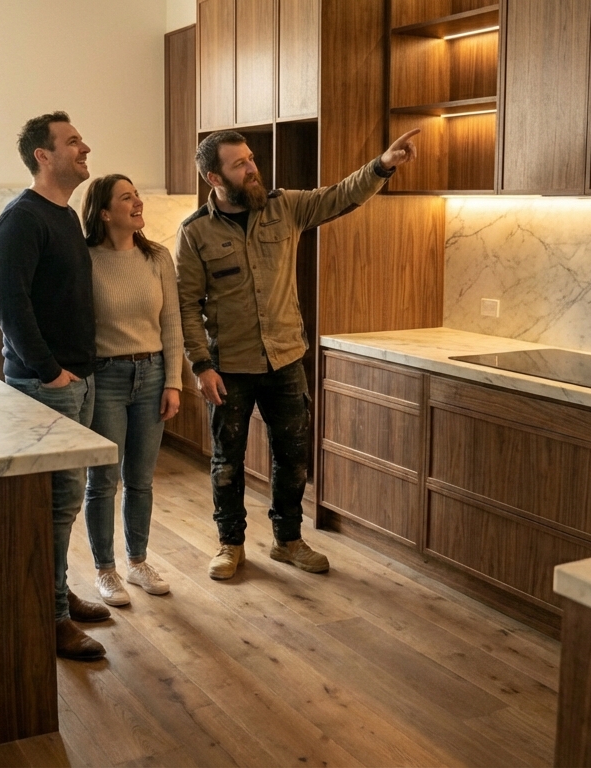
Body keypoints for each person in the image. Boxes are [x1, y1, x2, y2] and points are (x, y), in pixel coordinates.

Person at [175, 128, 421, 580]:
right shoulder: (195, 232)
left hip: (285, 359)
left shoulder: (284, 206)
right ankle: (230, 544)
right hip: (229, 366)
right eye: (239, 164)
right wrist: (201, 366)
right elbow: (187, 305)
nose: (252, 168)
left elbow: (340, 196)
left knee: (292, 457)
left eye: (251, 158)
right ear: (214, 178)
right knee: (227, 462)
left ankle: (288, 540)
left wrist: (382, 165)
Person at [0, 111, 112, 661]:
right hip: (48, 385)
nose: (84, 148)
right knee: (55, 505)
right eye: (72, 141)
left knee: (64, 502)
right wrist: (50, 372)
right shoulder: (22, 218)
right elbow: (10, 307)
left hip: (76, 381)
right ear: (44, 156)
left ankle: (54, 595)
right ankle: (52, 617)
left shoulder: (62, 216)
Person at [79, 174, 183, 606]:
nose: (138, 202)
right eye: (127, 198)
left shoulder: (157, 257)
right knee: (103, 480)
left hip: (152, 374)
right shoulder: (85, 259)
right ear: (105, 213)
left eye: (137, 195)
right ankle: (105, 570)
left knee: (140, 479)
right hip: (105, 377)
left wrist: (174, 381)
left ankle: (137, 562)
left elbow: (171, 321)